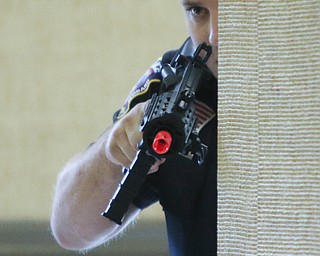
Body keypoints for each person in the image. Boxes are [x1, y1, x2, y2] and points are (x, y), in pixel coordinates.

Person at [51, 0, 218, 255]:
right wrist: (113, 152)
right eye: (197, 11)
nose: (214, 36)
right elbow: (70, 229)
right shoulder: (172, 80)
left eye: (232, 9)